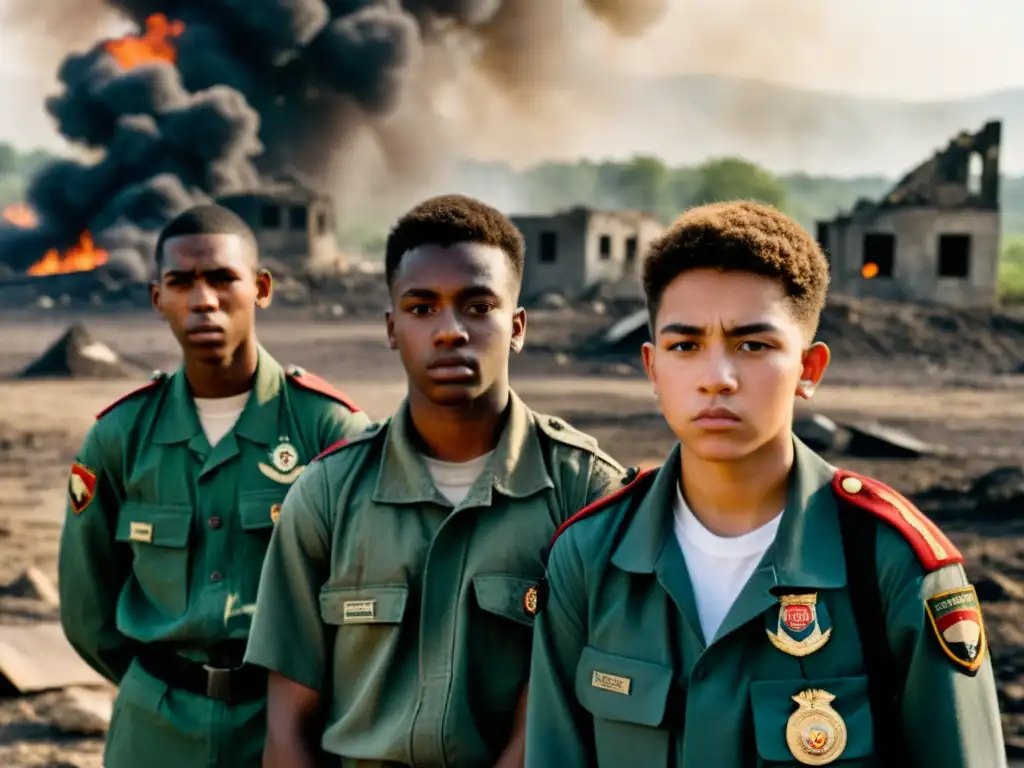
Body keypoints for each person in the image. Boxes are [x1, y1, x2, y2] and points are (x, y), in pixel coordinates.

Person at [524, 201, 1006, 767]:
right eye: (685, 346)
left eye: (753, 345)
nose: (717, 379)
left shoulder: (892, 564)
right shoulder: (589, 559)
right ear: (653, 369)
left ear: (809, 369)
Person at [244, 194, 625, 768]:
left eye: (477, 306)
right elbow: (288, 727)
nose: (449, 331)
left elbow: (588, 698)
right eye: (423, 309)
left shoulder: (586, 491)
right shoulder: (327, 495)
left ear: (517, 326)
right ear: (392, 327)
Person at [58, 204, 371, 768]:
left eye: (224, 279)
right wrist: (158, 685)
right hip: (155, 731)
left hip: (288, 731)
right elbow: (87, 610)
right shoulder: (121, 436)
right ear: (158, 298)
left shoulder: (328, 429)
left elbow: (367, 593)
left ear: (262, 288)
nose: (203, 299)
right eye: (181, 283)